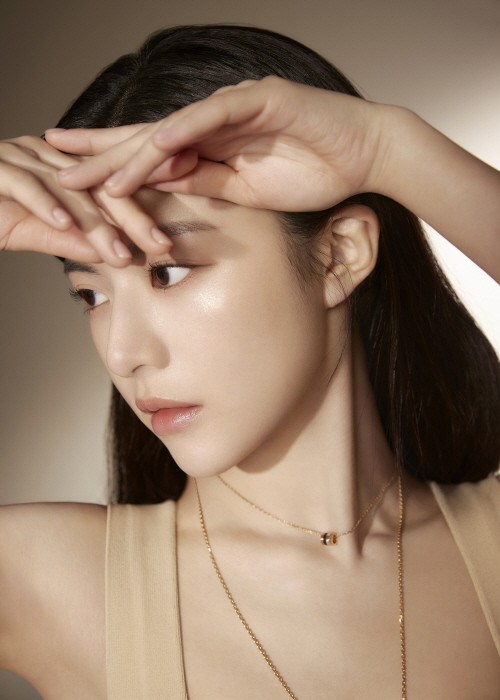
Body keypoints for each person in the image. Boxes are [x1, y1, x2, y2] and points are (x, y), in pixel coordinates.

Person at [0, 24, 499, 700]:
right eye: (91, 296)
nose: (123, 353)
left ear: (339, 255)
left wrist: (389, 149)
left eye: (169, 272)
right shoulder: (48, 578)